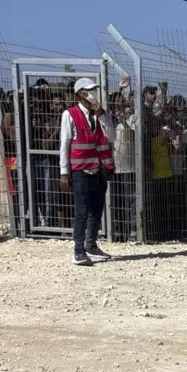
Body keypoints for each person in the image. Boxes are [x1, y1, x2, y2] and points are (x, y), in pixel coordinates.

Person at [59, 78, 116, 266]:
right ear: (80, 94)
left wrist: (101, 114)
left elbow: (111, 135)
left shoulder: (99, 115)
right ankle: (78, 250)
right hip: (80, 170)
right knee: (82, 211)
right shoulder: (70, 114)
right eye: (88, 91)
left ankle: (91, 244)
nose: (92, 94)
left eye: (94, 90)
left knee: (96, 209)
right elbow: (65, 144)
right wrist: (64, 172)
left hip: (99, 169)